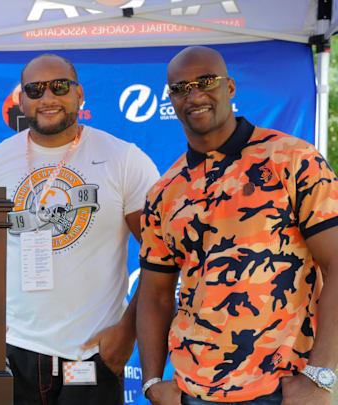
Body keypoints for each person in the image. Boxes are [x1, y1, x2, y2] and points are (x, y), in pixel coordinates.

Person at [137, 46, 338, 405]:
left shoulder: (293, 159)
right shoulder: (165, 192)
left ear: (230, 87)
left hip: (284, 387)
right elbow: (155, 295)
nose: (194, 94)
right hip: (195, 391)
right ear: (171, 98)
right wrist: (152, 381)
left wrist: (320, 374)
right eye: (181, 88)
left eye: (206, 82)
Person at [0, 53, 159, 404]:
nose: (47, 98)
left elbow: (161, 257)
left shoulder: (124, 158)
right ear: (21, 100)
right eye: (34, 89)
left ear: (79, 94)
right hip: (12, 350)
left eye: (59, 86)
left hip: (90, 353)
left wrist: (128, 330)